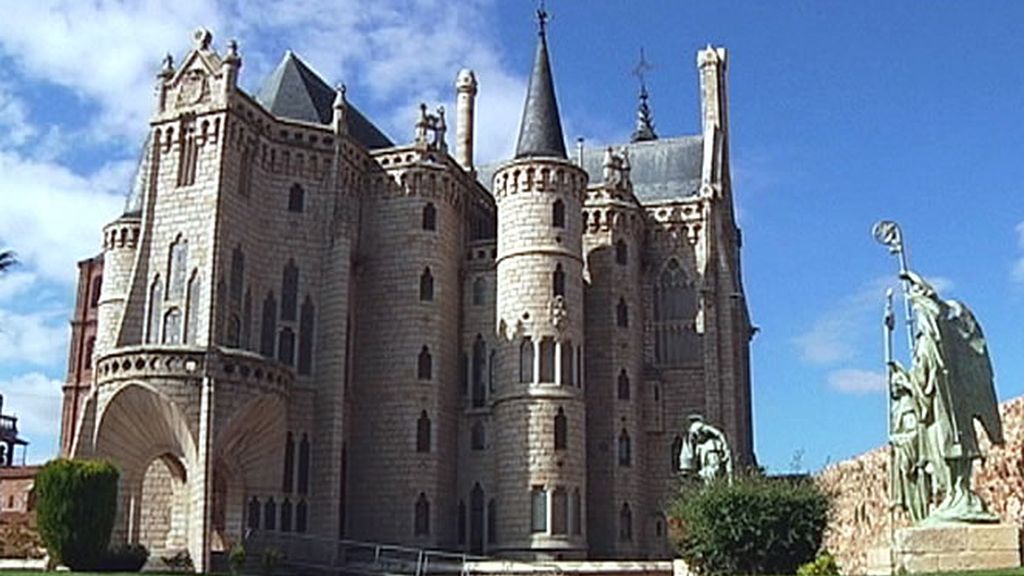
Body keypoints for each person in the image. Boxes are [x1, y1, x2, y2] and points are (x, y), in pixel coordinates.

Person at [889, 271, 1003, 523]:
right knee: (945, 451)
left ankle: (959, 494)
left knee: (949, 448)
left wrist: (903, 378)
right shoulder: (934, 340)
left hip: (945, 409)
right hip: (940, 409)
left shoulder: (934, 340)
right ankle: (955, 495)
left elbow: (924, 380)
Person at [678, 414, 732, 484]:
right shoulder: (700, 446)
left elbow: (714, 468)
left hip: (712, 477)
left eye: (695, 436)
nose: (695, 440)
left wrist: (700, 474)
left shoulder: (711, 446)